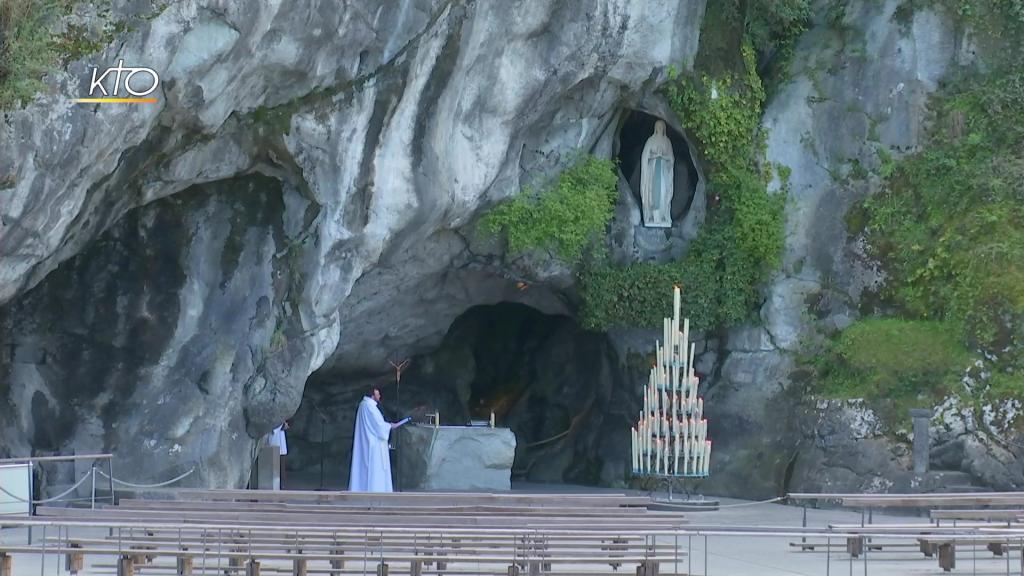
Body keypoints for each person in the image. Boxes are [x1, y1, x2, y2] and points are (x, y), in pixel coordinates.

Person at [349, 387, 406, 492]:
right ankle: (375, 491)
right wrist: (390, 426)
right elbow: (378, 426)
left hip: (368, 442)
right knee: (374, 470)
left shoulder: (364, 405)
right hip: (373, 445)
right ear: (372, 395)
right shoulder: (369, 407)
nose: (379, 396)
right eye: (377, 394)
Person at [267, 421, 289, 487]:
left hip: (281, 444)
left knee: (281, 465)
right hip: (274, 441)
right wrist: (281, 426)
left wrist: (284, 425)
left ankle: (281, 484)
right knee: (273, 466)